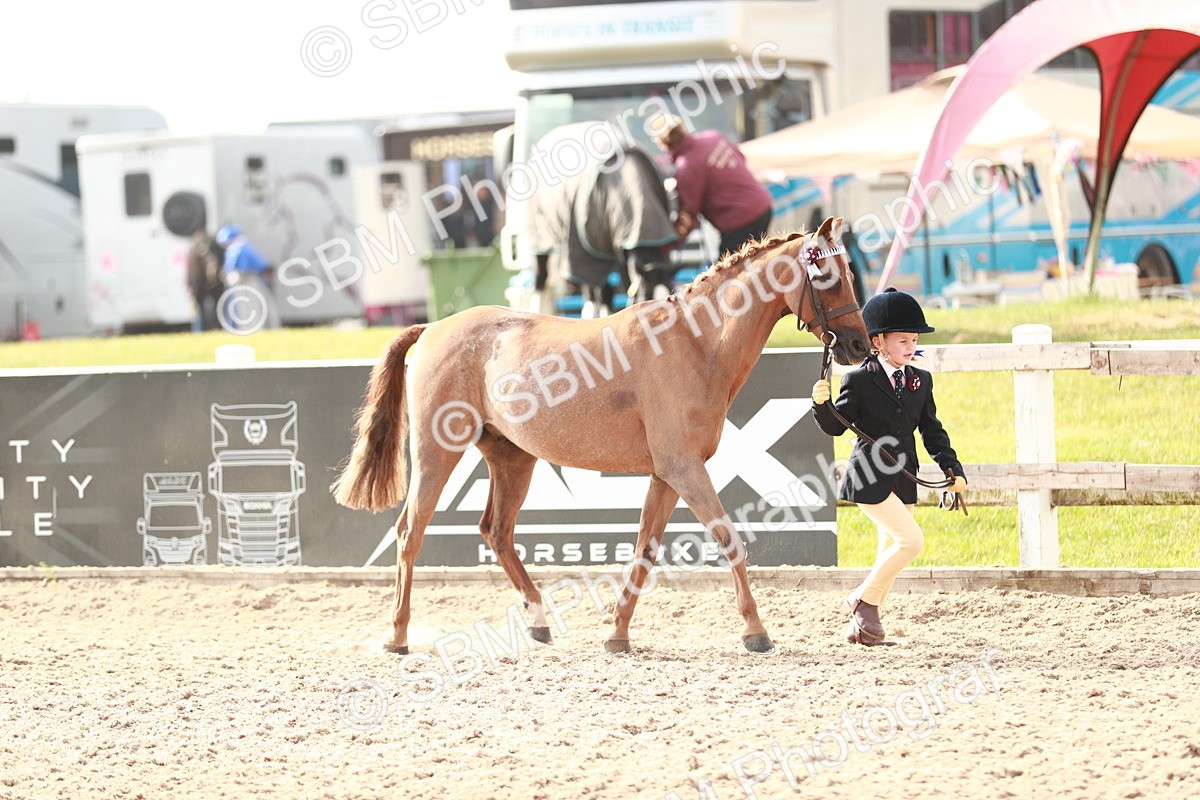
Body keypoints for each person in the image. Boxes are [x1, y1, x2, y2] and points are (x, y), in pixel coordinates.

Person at [810, 288, 967, 646]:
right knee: (911, 541)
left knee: (888, 554)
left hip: (904, 477)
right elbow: (837, 426)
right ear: (877, 341)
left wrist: (951, 469)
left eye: (914, 340)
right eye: (903, 341)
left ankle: (863, 628)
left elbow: (932, 431)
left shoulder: (920, 380)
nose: (911, 347)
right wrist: (821, 405)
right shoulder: (858, 380)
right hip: (868, 478)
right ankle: (861, 600)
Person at [648, 115, 774, 258]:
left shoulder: (686, 167)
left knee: (726, 275)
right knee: (755, 265)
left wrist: (665, 245)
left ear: (662, 143)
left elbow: (688, 217)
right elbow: (740, 158)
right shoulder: (713, 136)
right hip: (763, 205)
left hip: (741, 221)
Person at [216, 224, 280, 330]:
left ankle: (251, 328)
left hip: (245, 282)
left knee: (247, 308)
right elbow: (261, 265)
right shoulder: (242, 246)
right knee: (252, 307)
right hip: (247, 281)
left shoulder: (237, 247)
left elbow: (229, 269)